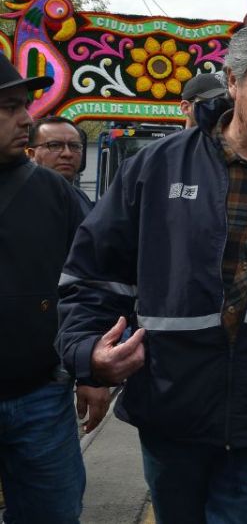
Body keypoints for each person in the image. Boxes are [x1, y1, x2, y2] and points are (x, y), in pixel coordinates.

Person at [57, 17, 247, 523]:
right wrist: (87, 354)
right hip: (172, 411)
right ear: (235, 83)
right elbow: (94, 273)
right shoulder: (156, 167)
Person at [0, 56, 90, 522]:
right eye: (10, 107)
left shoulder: (54, 193)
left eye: (25, 106)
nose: (26, 119)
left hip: (40, 397)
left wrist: (91, 371)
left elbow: (91, 284)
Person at [27, 115, 93, 212]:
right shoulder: (18, 197)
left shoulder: (82, 199)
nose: (67, 154)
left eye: (75, 146)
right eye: (54, 145)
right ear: (32, 154)